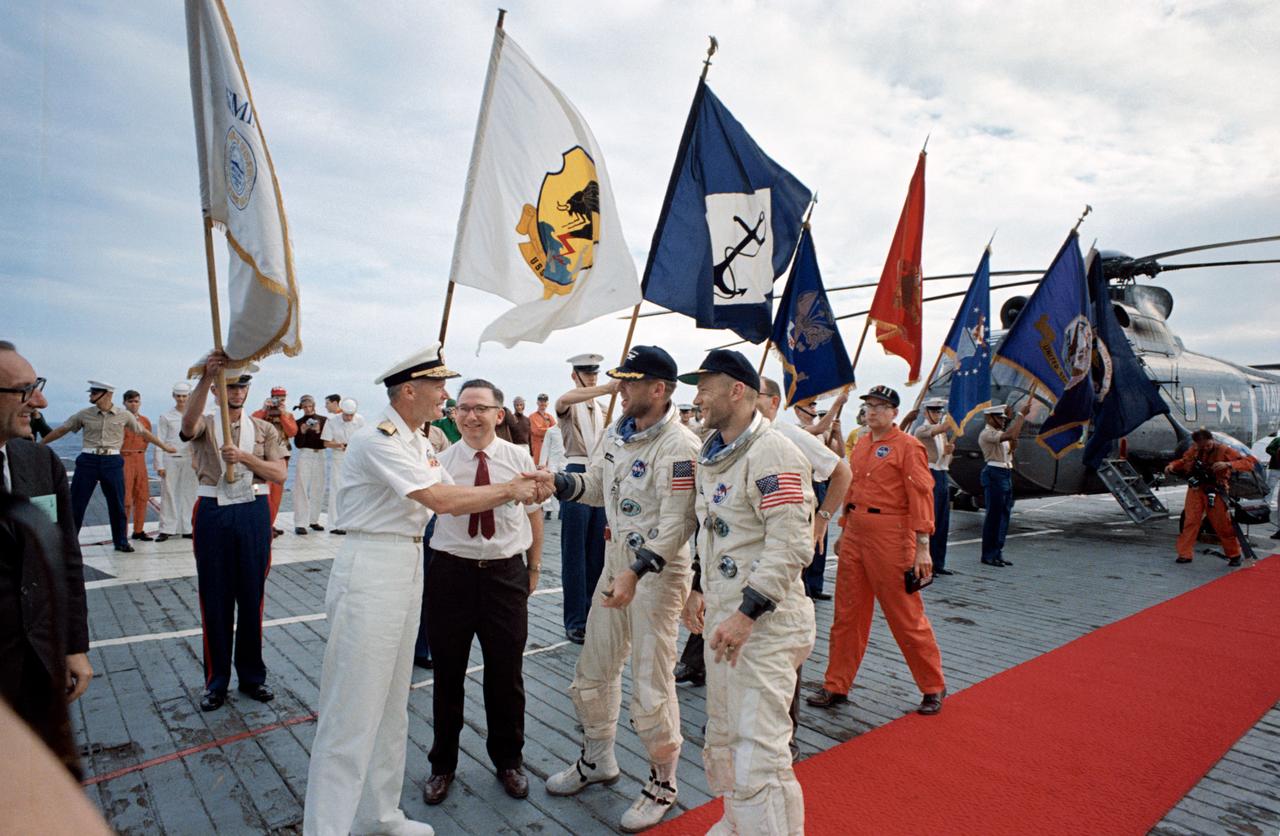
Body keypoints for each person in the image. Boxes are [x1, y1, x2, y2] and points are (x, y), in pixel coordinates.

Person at [302, 343, 542, 836]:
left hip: (408, 563)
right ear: (409, 390)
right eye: (439, 388)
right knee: (352, 712)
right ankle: (326, 827)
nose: (447, 398)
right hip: (372, 564)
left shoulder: (417, 442)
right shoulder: (379, 439)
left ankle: (379, 815)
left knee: (391, 704)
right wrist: (510, 490)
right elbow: (439, 498)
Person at [540, 347, 699, 832]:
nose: (621, 389)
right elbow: (596, 485)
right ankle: (598, 759)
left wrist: (635, 572)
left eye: (630, 382)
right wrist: (556, 483)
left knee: (651, 683)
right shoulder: (616, 432)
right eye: (619, 381)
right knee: (593, 670)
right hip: (615, 568)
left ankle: (662, 781)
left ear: (659, 388)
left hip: (656, 575)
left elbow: (677, 526)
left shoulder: (681, 446)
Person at [678, 349, 816, 835]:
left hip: (765, 626)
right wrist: (698, 587)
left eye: (705, 387)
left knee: (760, 753)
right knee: (728, 737)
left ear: (737, 391)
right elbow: (712, 530)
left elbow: (791, 544)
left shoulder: (771, 451)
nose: (697, 397)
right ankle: (739, 825)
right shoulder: (711, 453)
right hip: (725, 621)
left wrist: (748, 613)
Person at [420, 379, 543, 806]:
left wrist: (535, 566)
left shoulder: (519, 457)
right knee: (447, 674)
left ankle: (509, 760)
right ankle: (442, 765)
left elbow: (534, 514)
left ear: (499, 414)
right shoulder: (439, 461)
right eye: (462, 408)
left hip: (505, 576)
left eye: (480, 408)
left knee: (505, 674)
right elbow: (438, 506)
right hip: (451, 573)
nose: (471, 416)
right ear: (453, 415)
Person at [806, 384, 947, 719]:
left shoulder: (908, 447)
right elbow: (851, 487)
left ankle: (932, 686)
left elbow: (922, 496)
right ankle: (836, 684)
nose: (873, 411)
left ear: (894, 413)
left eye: (881, 406)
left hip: (892, 537)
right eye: (869, 405)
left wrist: (922, 547)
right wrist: (844, 528)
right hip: (856, 533)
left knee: (905, 616)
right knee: (847, 615)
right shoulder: (862, 444)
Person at [0, 342, 92, 774]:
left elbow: (65, 559)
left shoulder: (40, 461)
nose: (40, 402)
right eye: (25, 390)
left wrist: (73, 644)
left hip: (39, 664)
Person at [180, 355, 286, 711]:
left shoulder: (266, 429)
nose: (236, 391)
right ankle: (216, 681)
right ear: (217, 389)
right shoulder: (207, 424)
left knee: (252, 596)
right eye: (228, 385)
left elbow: (279, 473)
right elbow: (187, 425)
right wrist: (203, 379)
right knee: (215, 598)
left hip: (253, 510)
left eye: (241, 385)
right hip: (213, 510)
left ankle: (252, 677)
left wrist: (244, 458)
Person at [41, 380, 174, 553]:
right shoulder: (84, 414)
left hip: (112, 461)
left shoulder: (124, 416)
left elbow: (143, 433)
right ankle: (69, 543)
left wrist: (165, 447)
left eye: (94, 393)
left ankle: (120, 541)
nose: (91, 396)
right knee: (77, 504)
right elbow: (62, 429)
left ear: (108, 394)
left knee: (117, 503)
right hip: (88, 460)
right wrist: (40, 444)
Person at [555, 353, 609, 644]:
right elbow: (566, 399)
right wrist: (608, 389)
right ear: (575, 375)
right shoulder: (568, 406)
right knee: (574, 554)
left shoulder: (603, 409)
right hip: (576, 473)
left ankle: (592, 614)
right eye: (586, 373)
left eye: (595, 373)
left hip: (599, 477)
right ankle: (574, 619)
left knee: (597, 554)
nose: (592, 377)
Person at [1165, 428, 1258, 566]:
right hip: (1196, 489)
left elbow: (1250, 462)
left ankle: (1234, 554)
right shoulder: (1194, 450)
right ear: (1196, 444)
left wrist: (1228, 464)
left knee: (1222, 525)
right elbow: (1184, 461)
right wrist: (1172, 465)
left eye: (1208, 445)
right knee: (1190, 522)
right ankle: (1184, 554)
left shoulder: (1224, 450)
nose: (1206, 448)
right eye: (1202, 446)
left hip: (1216, 490)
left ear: (1212, 440)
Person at [902, 398, 955, 575]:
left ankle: (939, 562)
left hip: (942, 474)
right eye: (934, 411)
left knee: (942, 521)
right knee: (929, 520)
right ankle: (926, 561)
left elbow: (945, 460)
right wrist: (957, 415)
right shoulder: (922, 429)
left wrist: (949, 454)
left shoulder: (941, 434)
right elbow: (940, 428)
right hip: (929, 473)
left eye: (940, 412)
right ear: (926, 413)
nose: (937, 415)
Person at [978, 400, 1031, 567]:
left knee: (1004, 515)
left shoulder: (999, 432)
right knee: (994, 516)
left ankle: (997, 552)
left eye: (1003, 418)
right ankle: (988, 555)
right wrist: (1021, 416)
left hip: (1005, 473)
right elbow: (1011, 436)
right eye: (999, 418)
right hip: (995, 473)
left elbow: (1011, 445)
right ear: (989, 418)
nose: (1002, 421)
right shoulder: (986, 434)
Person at [154, 383, 197, 542]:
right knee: (168, 494)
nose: (181, 399)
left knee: (189, 494)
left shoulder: (195, 415)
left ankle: (187, 528)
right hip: (170, 459)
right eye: (178, 396)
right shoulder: (166, 416)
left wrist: (197, 460)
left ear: (189, 397)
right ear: (173, 396)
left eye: (184, 396)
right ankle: (167, 529)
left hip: (189, 459)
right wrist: (159, 464)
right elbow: (160, 440)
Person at [253, 386, 297, 535]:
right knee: (262, 491)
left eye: (282, 398)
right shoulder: (262, 413)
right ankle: (262, 523)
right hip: (263, 457)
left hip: (281, 456)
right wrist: (264, 409)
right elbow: (252, 423)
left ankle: (270, 523)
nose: (279, 401)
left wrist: (283, 414)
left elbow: (292, 432)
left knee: (277, 493)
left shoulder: (288, 414)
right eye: (276, 398)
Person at [320, 397, 364, 535]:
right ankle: (334, 524)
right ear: (342, 411)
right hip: (339, 456)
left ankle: (352, 522)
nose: (349, 417)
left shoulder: (360, 420)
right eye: (346, 415)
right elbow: (326, 442)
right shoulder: (332, 421)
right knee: (337, 489)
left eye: (351, 415)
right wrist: (339, 445)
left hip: (355, 457)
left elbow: (365, 439)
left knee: (355, 489)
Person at [119, 390, 154, 541]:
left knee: (142, 495)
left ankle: (138, 530)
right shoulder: (119, 420)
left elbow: (147, 438)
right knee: (125, 498)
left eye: (136, 401)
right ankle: (122, 531)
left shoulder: (145, 421)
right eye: (130, 401)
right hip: (124, 458)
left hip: (140, 458)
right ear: (124, 403)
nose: (134, 404)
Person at [291, 395, 328, 536]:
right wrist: (302, 432)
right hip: (305, 453)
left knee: (318, 487)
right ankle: (300, 523)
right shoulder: (299, 422)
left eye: (309, 406)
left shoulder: (324, 420)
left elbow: (326, 440)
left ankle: (314, 520)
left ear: (314, 406)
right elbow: (298, 444)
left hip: (320, 454)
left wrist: (318, 431)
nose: (307, 409)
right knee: (301, 487)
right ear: (301, 407)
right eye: (304, 407)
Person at [529, 393, 556, 464]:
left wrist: (550, 430)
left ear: (547, 403)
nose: (543, 403)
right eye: (541, 401)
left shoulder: (550, 417)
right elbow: (537, 431)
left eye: (544, 401)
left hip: (550, 447)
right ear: (537, 403)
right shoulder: (532, 416)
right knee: (539, 467)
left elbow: (556, 430)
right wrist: (550, 430)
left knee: (551, 468)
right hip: (538, 448)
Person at [1265, 433, 1280, 540]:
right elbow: (1268, 449)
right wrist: (1276, 454)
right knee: (1270, 487)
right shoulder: (1277, 440)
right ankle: (1266, 505)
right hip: (1275, 467)